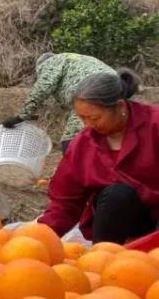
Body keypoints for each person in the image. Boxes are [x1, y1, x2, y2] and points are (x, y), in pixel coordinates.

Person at [39, 70, 158, 244]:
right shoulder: (83, 145)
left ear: (121, 107)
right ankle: (103, 257)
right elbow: (65, 203)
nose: (88, 125)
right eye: (82, 118)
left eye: (94, 118)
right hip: (124, 224)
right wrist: (38, 238)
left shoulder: (154, 124)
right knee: (116, 195)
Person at [2, 52, 115, 153]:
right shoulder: (76, 60)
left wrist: (22, 116)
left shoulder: (52, 62)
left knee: (70, 143)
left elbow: (43, 87)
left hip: (92, 93)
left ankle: (78, 175)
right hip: (118, 89)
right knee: (106, 142)